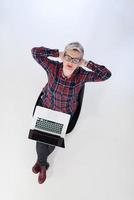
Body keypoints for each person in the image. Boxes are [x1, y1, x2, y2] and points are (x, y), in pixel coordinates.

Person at [31, 42, 112, 184]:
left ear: (79, 62)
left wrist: (86, 63)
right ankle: (43, 165)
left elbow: (106, 75)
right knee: (41, 138)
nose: (71, 62)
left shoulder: (82, 76)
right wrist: (57, 54)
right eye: (68, 57)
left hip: (63, 115)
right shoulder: (53, 67)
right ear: (64, 56)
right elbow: (35, 52)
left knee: (51, 141)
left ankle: (40, 162)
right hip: (47, 108)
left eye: (76, 60)